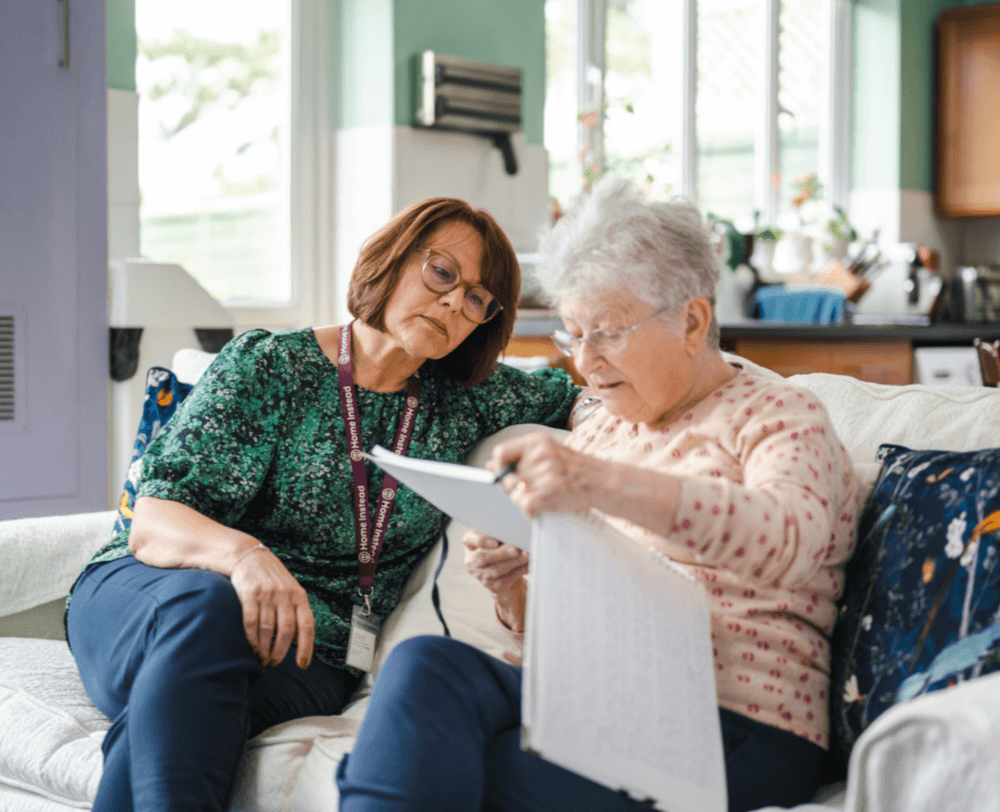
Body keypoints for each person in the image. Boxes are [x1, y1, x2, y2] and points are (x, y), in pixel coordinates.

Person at [335, 177, 861, 812]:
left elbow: (789, 540)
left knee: (472, 775)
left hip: (732, 724)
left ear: (692, 321)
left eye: (607, 333)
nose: (584, 363)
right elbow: (574, 620)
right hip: (598, 697)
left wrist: (599, 483)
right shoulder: (603, 426)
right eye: (572, 335)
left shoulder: (779, 415)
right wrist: (513, 589)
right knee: (426, 665)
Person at [65, 197, 586, 812]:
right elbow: (152, 522)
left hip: (309, 653)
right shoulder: (271, 367)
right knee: (208, 608)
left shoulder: (467, 401)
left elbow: (585, 397)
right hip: (155, 596)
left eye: (477, 298)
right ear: (390, 261)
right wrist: (245, 557)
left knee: (187, 720)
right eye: (443, 272)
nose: (453, 302)